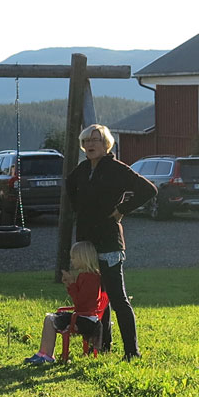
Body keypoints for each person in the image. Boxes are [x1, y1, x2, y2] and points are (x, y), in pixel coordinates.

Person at [64, 124, 155, 361]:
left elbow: (148, 189)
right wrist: (79, 211)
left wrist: (121, 210)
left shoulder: (116, 169)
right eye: (86, 141)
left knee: (117, 299)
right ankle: (103, 346)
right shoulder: (82, 170)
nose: (90, 144)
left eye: (95, 140)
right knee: (97, 300)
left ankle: (131, 353)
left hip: (109, 244)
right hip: (87, 246)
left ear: (106, 144)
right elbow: (69, 185)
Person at [24, 241, 106, 365]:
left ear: (83, 258)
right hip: (83, 316)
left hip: (86, 320)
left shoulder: (90, 278)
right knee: (49, 318)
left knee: (50, 319)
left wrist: (72, 283)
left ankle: (47, 355)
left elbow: (81, 303)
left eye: (74, 257)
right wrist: (70, 283)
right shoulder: (86, 276)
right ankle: (43, 353)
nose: (71, 260)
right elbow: (79, 299)